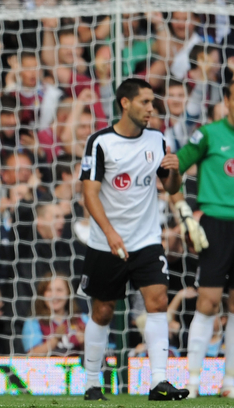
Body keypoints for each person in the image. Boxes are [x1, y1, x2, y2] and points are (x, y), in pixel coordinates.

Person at [79, 78, 186, 401]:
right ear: (125, 103)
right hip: (105, 242)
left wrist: (175, 170)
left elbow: (171, 187)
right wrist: (110, 232)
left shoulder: (157, 139)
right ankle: (91, 383)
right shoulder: (100, 142)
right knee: (103, 311)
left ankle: (158, 383)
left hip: (146, 239)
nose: (151, 108)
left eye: (152, 102)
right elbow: (89, 193)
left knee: (157, 301)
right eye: (145, 102)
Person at [173, 80, 234, 399]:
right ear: (227, 99)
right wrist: (183, 211)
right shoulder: (209, 134)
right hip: (215, 225)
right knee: (208, 302)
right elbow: (174, 167)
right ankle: (193, 384)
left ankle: (230, 385)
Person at [22, 271, 86, 356]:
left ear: (68, 293)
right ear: (42, 294)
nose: (54, 295)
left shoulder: (82, 319)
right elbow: (32, 355)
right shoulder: (33, 322)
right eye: (49, 290)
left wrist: (84, 342)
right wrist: (55, 339)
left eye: (59, 290)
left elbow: (99, 353)